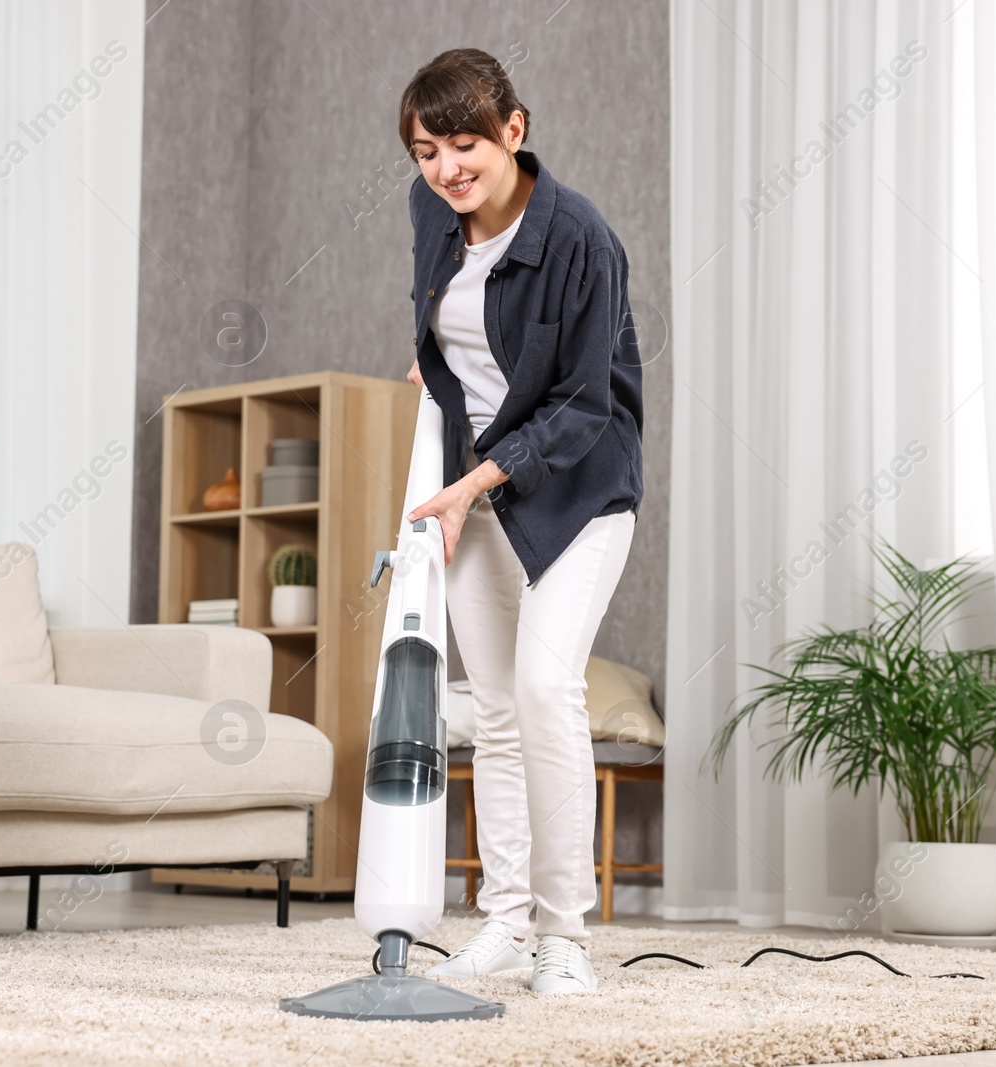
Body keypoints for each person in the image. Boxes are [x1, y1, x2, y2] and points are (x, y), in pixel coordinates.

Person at [397, 47, 644, 996]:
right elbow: (442, 315)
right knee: (491, 707)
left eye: (465, 145)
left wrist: (472, 484)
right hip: (481, 484)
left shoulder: (581, 237)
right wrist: (437, 365)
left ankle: (565, 935)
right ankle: (503, 920)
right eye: (426, 152)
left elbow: (585, 404)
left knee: (546, 690)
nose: (447, 169)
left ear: (514, 129)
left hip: (578, 488)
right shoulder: (431, 212)